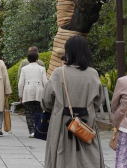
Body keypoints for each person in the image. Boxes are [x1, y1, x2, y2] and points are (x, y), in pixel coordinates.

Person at [42, 36, 104, 168]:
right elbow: (98, 101)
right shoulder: (93, 74)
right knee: (89, 156)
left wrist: (55, 109)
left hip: (62, 123)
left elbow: (47, 100)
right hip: (86, 123)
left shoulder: (59, 73)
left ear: (68, 51)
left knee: (61, 155)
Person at [18, 51, 48, 137]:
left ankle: (31, 131)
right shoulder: (42, 68)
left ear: (28, 59)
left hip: (27, 92)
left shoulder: (24, 69)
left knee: (28, 112)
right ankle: (37, 129)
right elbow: (45, 82)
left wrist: (20, 95)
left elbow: (21, 83)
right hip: (39, 92)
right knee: (38, 111)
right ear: (37, 59)